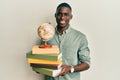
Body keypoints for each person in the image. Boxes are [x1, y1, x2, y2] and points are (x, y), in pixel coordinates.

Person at [42, 2, 90, 80]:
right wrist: (38, 67)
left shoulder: (80, 37)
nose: (62, 17)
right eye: (59, 14)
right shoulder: (47, 36)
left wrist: (71, 68)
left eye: (66, 14)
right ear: (55, 15)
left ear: (71, 17)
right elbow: (42, 59)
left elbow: (86, 63)